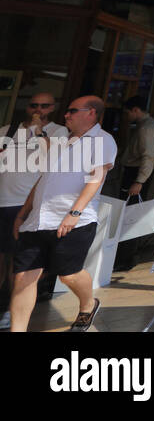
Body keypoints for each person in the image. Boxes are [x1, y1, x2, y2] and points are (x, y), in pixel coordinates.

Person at [8, 96, 116, 332]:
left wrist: (74, 212)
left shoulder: (102, 139)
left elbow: (96, 178)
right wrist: (23, 212)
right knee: (23, 278)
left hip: (74, 220)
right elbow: (43, 180)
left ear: (91, 113)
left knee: (68, 275)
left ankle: (88, 304)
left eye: (72, 110)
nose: (66, 115)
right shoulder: (61, 142)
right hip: (37, 220)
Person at [0, 94, 68, 330]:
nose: (38, 109)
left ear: (54, 107)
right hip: (3, 200)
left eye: (45, 105)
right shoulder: (8, 130)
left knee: (18, 262)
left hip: (26, 203)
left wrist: (39, 133)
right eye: (34, 105)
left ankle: (11, 309)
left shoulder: (59, 131)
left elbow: (58, 159)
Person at [113, 95, 154, 271]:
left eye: (127, 112)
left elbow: (149, 156)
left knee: (130, 215)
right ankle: (126, 255)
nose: (126, 116)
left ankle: (126, 258)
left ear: (135, 110)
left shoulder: (147, 128)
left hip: (136, 174)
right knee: (129, 214)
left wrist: (139, 180)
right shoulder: (145, 125)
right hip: (135, 172)